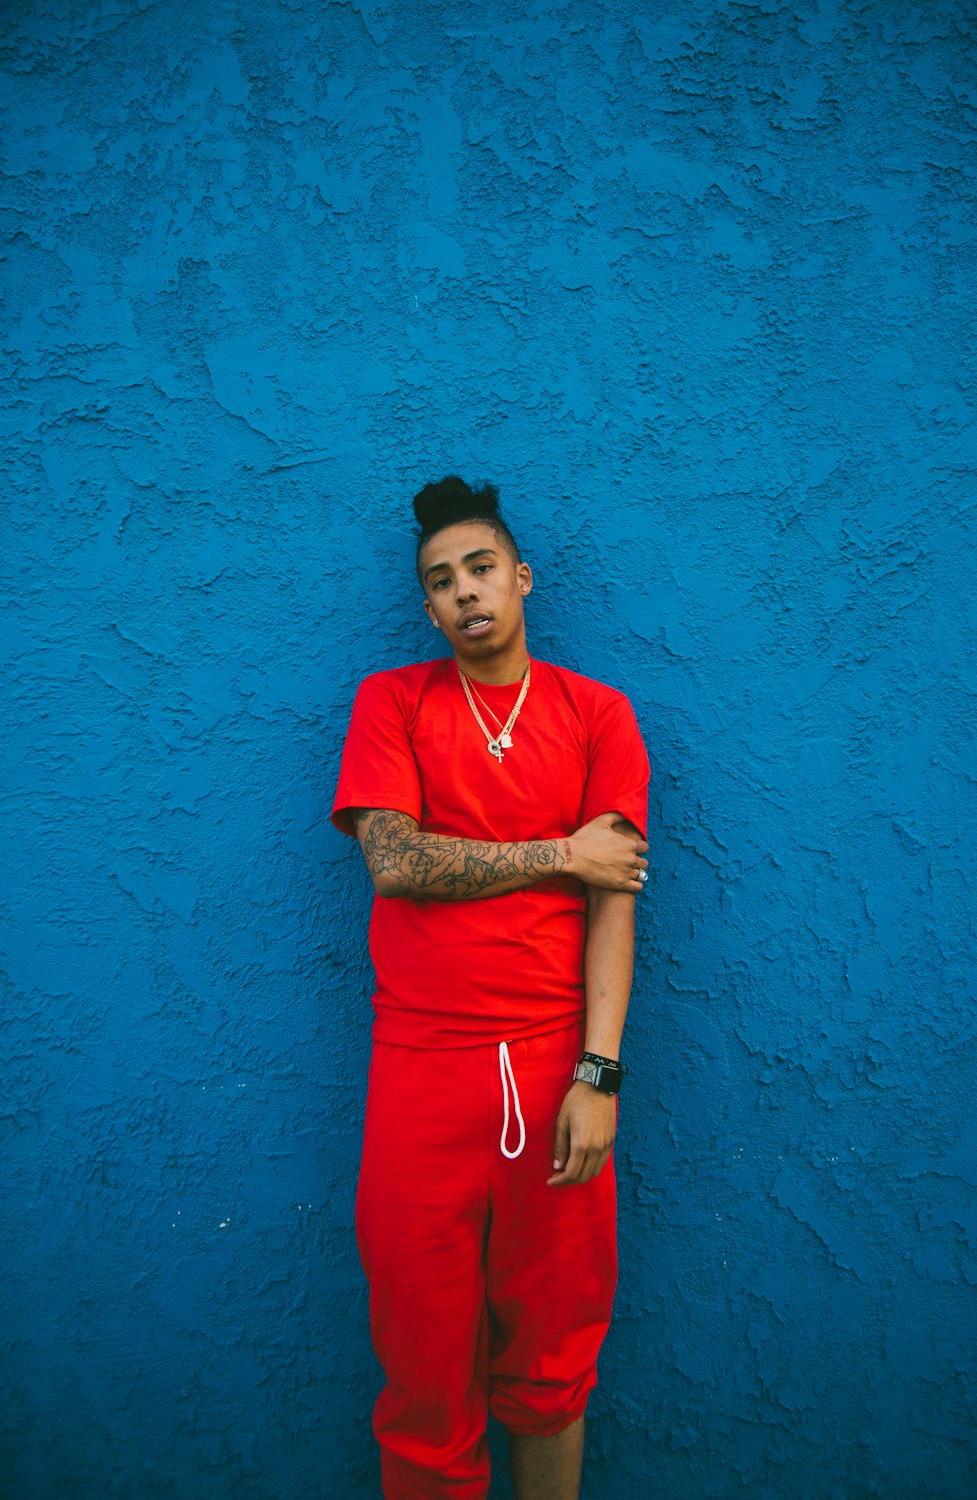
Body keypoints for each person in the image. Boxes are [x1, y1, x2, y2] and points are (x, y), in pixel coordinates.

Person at [331, 476, 649, 1500]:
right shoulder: (394, 702)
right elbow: (396, 862)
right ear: (426, 609)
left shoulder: (597, 713)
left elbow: (615, 906)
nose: (464, 593)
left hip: (555, 1065)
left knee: (553, 1361)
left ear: (520, 577)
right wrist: (563, 852)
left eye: (478, 569)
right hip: (421, 1073)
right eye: (440, 581)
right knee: (423, 1369)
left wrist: (598, 1074)